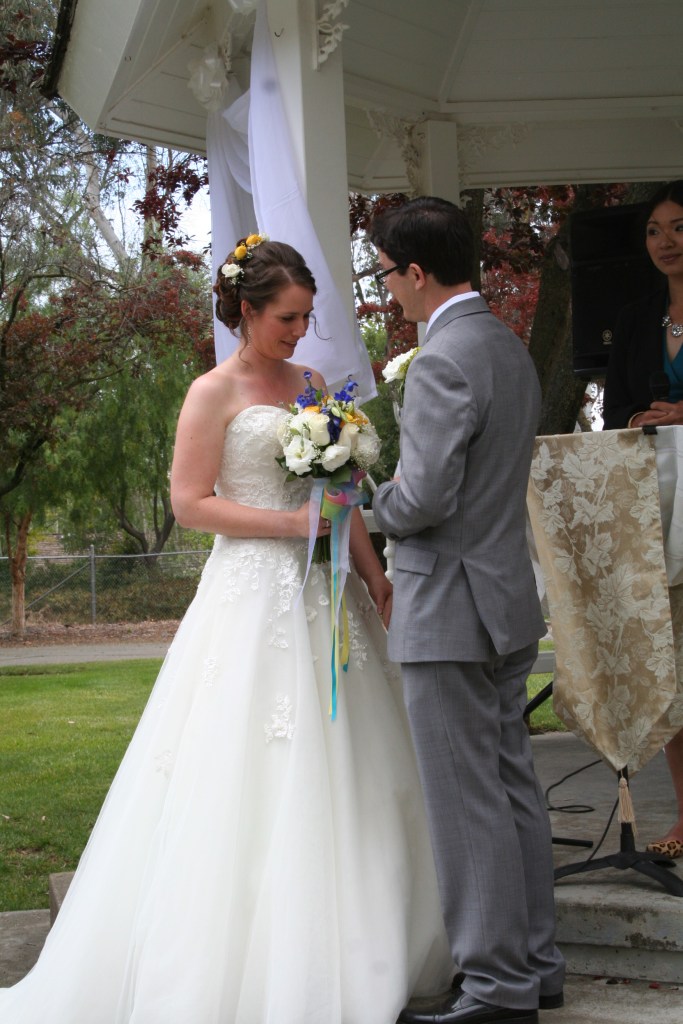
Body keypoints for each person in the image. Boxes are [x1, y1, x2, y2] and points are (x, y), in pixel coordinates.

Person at [0, 237, 453, 1023]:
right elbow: (191, 503)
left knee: (360, 755)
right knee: (252, 766)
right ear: (245, 311)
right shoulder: (210, 392)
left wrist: (374, 574)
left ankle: (375, 939)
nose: (298, 331)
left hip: (332, 593)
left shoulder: (313, 384)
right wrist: (287, 528)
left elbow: (339, 494)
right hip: (251, 596)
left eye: (308, 316)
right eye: (285, 317)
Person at [369, 197, 565, 1024]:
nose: (388, 293)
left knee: (465, 798)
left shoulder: (443, 358)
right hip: (503, 600)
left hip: (447, 605)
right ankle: (536, 965)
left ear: (417, 273)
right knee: (513, 786)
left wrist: (364, 502)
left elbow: (424, 496)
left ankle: (493, 986)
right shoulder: (506, 348)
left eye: (387, 276)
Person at [602, 180, 683, 860]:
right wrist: (641, 419)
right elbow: (613, 414)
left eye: (678, 226)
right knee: (672, 665)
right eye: (654, 229)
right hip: (656, 506)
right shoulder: (634, 316)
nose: (666, 241)